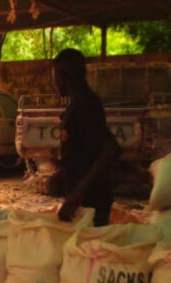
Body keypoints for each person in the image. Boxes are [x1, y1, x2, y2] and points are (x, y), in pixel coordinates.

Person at [52, 48, 120, 227]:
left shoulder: (86, 105)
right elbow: (84, 148)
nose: (54, 83)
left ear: (65, 76)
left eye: (55, 77)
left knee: (89, 251)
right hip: (83, 201)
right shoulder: (77, 104)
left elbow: (110, 150)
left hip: (92, 201)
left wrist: (77, 195)